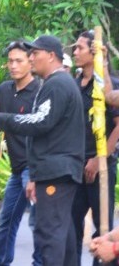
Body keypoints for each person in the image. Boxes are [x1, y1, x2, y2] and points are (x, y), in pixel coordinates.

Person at [0, 35, 85, 265]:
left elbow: (39, 122)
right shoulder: (55, 84)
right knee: (62, 235)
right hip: (53, 169)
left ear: (51, 55)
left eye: (35, 53)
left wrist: (0, 118)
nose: (32, 58)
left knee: (50, 235)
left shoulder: (57, 84)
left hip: (57, 170)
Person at [0, 40, 42, 266]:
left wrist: (35, 173)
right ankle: (1, 263)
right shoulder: (4, 90)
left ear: (30, 63)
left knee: (38, 223)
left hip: (36, 168)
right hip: (17, 169)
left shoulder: (40, 91)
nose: (13, 65)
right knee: (6, 221)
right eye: (10, 61)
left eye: (18, 61)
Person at [71, 30, 119, 266]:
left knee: (103, 229)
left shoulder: (110, 82)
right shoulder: (73, 85)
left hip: (101, 164)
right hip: (75, 165)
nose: (75, 51)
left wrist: (99, 159)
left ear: (94, 52)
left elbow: (117, 123)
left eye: (80, 47)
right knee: (71, 226)